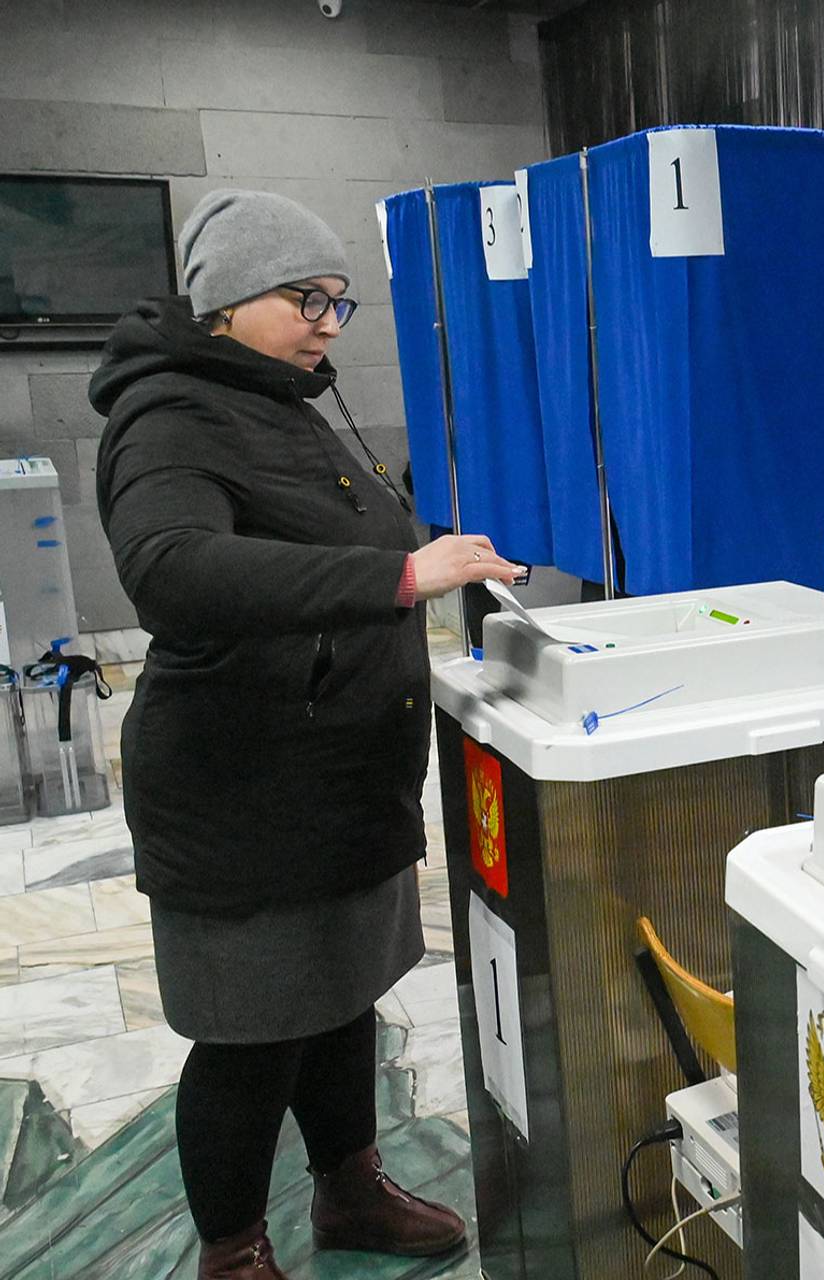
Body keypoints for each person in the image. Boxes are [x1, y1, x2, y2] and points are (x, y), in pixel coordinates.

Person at [89, 189, 520, 1280]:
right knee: (249, 1036)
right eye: (304, 297)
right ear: (227, 298)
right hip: (243, 787)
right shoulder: (170, 410)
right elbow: (171, 566)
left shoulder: (283, 397)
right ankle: (232, 1252)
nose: (329, 321)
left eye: (340, 300)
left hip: (335, 773)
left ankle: (348, 1190)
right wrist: (398, 571)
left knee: (340, 998)